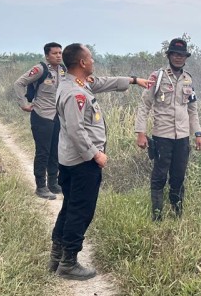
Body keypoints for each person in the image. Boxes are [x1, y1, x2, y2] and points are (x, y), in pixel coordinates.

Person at [49, 43, 148, 280]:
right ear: (82, 63)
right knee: (81, 210)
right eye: (90, 58)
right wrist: (95, 154)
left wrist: (134, 80)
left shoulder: (75, 83)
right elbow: (76, 130)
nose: (93, 61)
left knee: (70, 206)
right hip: (82, 162)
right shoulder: (75, 93)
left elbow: (103, 82)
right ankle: (69, 263)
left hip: (70, 160)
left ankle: (57, 256)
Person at [135, 38, 201, 220]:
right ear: (169, 56)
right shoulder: (157, 77)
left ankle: (177, 214)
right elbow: (144, 105)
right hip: (162, 136)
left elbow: (192, 110)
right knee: (159, 177)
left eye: (182, 55)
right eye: (175, 54)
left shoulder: (188, 79)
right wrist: (140, 133)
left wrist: (198, 134)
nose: (178, 58)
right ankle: (157, 217)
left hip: (182, 138)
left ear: (186, 58)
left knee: (178, 177)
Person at [14, 43, 66, 199]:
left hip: (57, 116)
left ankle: (53, 183)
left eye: (60, 52)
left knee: (55, 151)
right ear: (47, 56)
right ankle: (41, 186)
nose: (58, 55)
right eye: (55, 53)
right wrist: (23, 103)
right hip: (42, 115)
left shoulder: (62, 70)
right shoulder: (40, 69)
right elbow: (19, 83)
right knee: (43, 152)